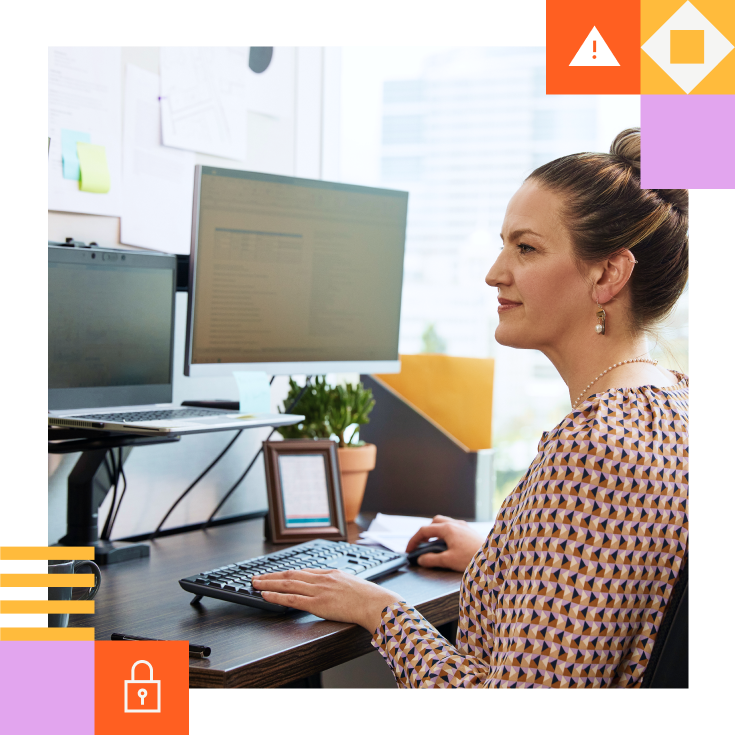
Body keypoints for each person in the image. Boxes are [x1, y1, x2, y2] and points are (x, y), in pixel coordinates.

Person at [253, 128, 689, 688]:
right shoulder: (670, 402)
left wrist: (377, 609)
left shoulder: (595, 447)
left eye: (526, 248)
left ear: (608, 274)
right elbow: (620, 568)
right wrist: (503, 557)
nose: (495, 272)